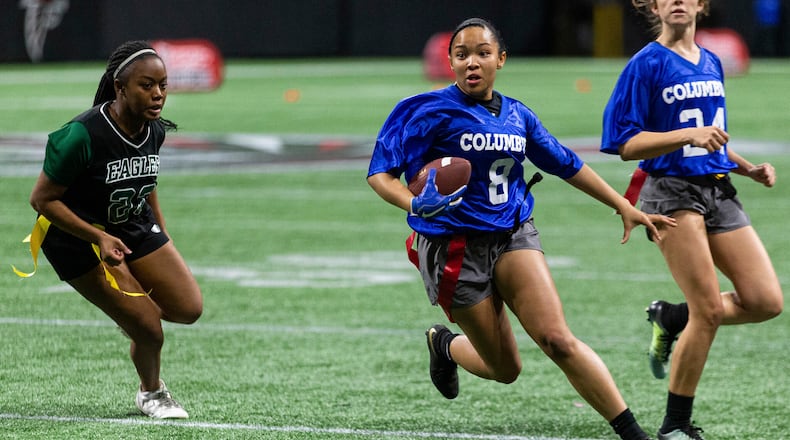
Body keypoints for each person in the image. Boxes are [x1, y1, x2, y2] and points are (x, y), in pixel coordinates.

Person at [367, 17, 676, 440]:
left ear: (501, 59)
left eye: (482, 53)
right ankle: (445, 345)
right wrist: (414, 202)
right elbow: (380, 175)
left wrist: (623, 205)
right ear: (451, 62)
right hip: (455, 247)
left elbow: (566, 162)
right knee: (505, 369)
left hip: (514, 234)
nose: (472, 63)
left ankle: (633, 433)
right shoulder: (424, 110)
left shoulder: (517, 115)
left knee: (558, 339)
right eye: (462, 55)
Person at [600, 1, 783, 439]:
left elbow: (709, 134)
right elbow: (625, 143)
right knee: (709, 312)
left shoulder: (711, 61)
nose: (678, 0)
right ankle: (675, 426)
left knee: (765, 302)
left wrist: (746, 167)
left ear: (701, 4)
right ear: (655, 6)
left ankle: (670, 317)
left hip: (718, 188)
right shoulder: (645, 64)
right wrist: (686, 135)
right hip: (670, 193)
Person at [27, 40, 203, 419]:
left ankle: (134, 319)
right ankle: (152, 393)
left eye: (163, 85)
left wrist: (161, 231)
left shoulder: (153, 129)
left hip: (129, 223)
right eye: (147, 85)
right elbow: (42, 200)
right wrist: (99, 238)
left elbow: (147, 177)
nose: (158, 95)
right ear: (120, 87)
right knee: (151, 330)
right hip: (77, 236)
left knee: (189, 308)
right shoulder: (81, 134)